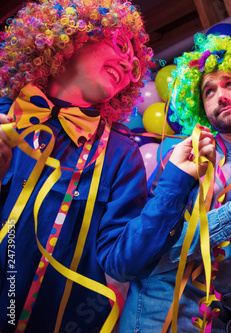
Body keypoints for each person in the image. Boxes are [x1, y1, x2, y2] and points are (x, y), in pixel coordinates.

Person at [0, 1, 215, 332]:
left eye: (133, 66)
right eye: (119, 46)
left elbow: (124, 263)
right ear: (71, 36)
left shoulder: (120, 155)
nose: (128, 64)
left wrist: (176, 180)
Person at [119, 34, 231, 332]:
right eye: (209, 91)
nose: (220, 96)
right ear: (202, 108)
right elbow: (157, 252)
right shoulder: (188, 160)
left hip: (224, 324)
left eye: (230, 84)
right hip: (161, 321)